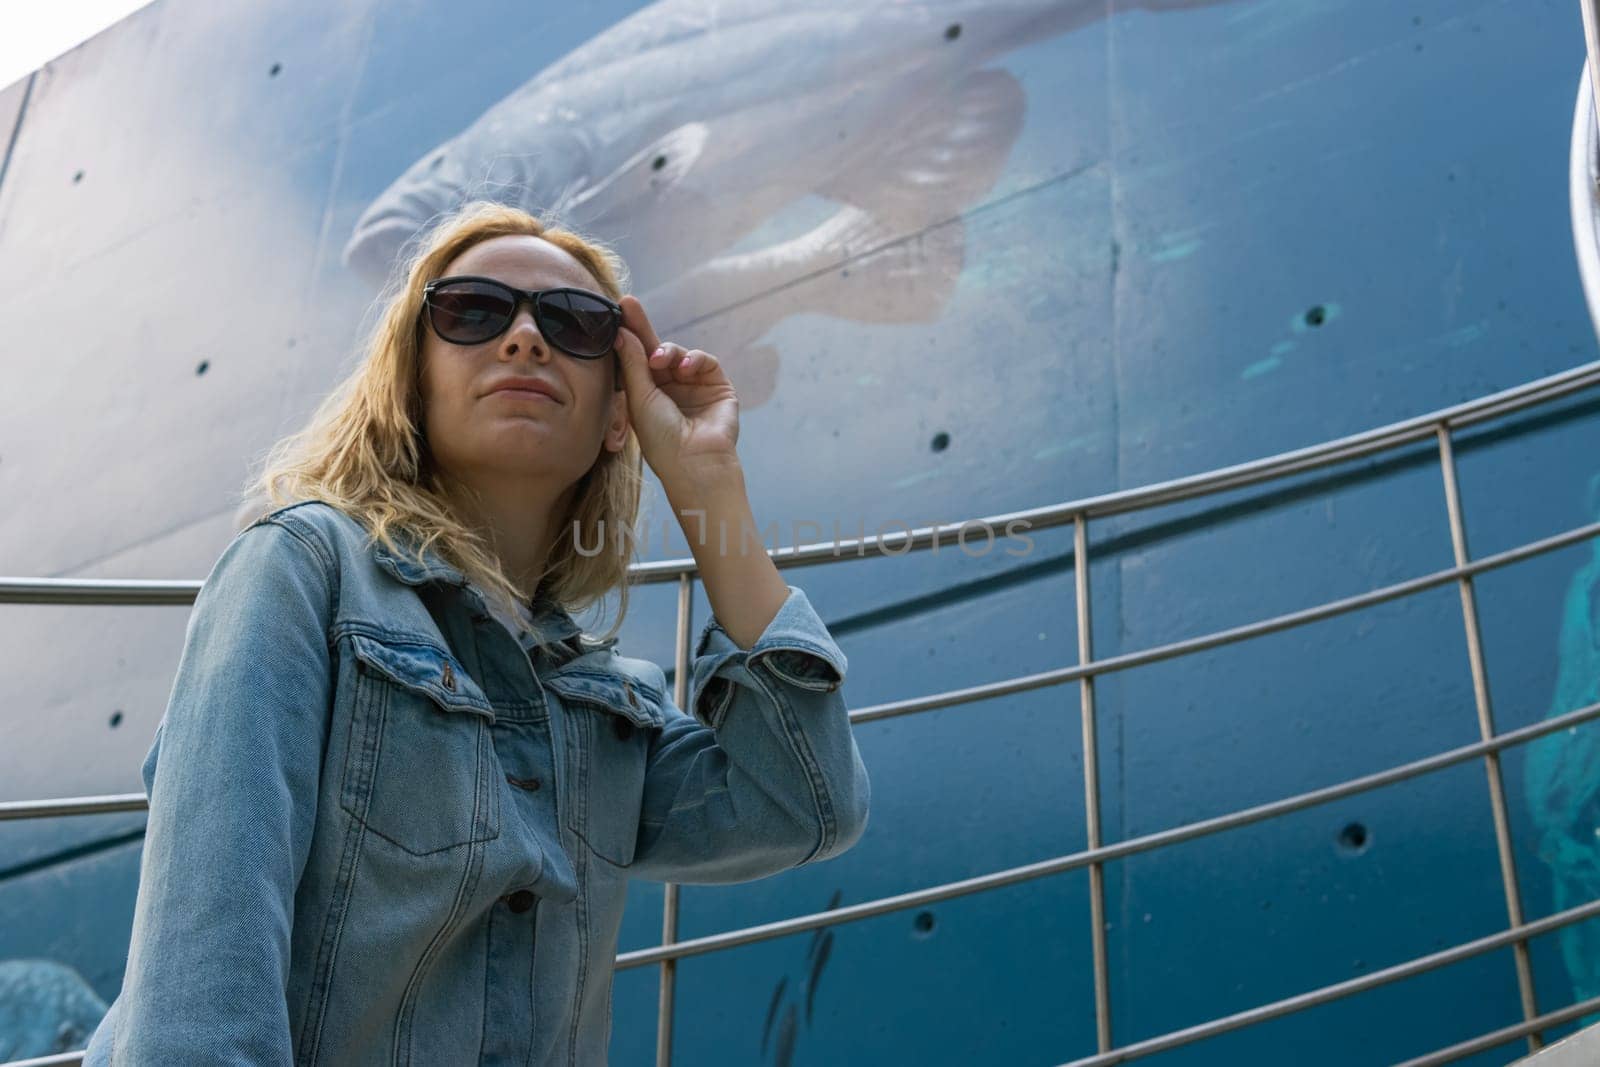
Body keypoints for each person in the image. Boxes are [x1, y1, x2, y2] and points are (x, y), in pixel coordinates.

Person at [81, 200, 871, 1065]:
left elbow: (805, 805)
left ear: (620, 418)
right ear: (413, 379)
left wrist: (707, 483)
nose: (526, 337)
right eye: (473, 310)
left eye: (575, 323)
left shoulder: (606, 702)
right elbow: (194, 1007)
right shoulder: (301, 569)